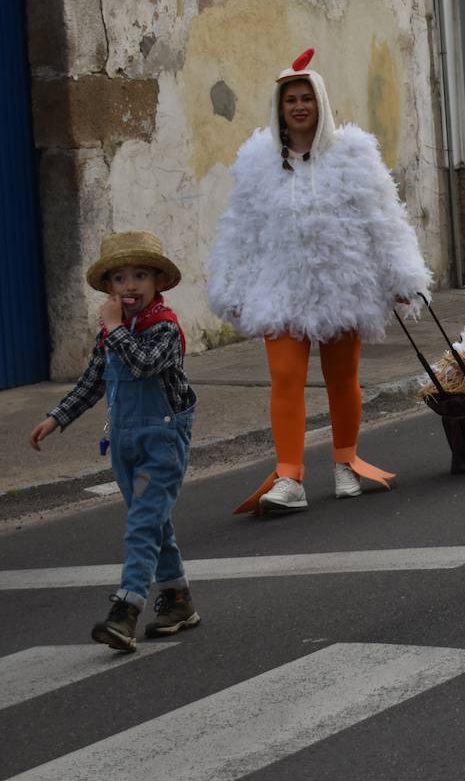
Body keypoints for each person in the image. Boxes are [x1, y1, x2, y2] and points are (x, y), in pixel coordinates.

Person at [209, 48, 432, 515]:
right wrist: (230, 285)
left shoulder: (353, 155)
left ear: (321, 103)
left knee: (341, 377)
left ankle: (346, 461)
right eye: (290, 98)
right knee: (285, 377)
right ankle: (289, 475)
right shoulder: (257, 162)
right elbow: (242, 227)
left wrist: (402, 274)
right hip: (282, 287)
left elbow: (384, 218)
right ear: (279, 107)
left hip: (342, 284)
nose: (298, 106)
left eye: (306, 97)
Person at [29, 231, 200, 651]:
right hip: (124, 443)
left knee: (141, 526)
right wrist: (57, 417)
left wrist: (112, 328)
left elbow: (142, 366)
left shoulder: (165, 329)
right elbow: (93, 381)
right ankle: (178, 600)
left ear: (157, 282)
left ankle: (125, 610)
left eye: (140, 275)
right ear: (109, 288)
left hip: (161, 441)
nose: (130, 286)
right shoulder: (113, 332)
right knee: (154, 523)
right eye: (119, 278)